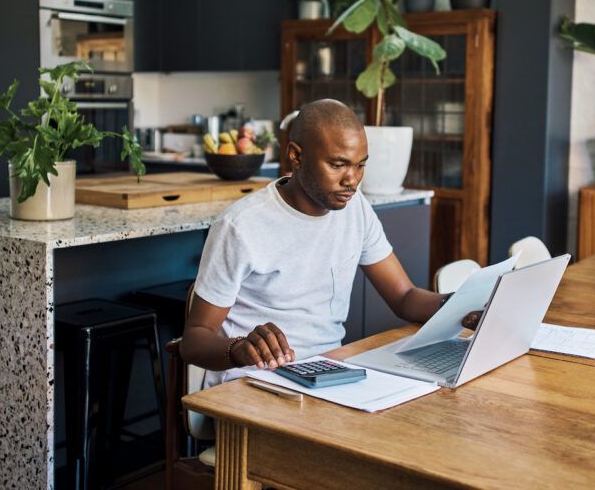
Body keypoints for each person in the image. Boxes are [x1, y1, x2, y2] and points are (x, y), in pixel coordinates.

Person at [180, 99, 479, 387]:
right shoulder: (240, 226)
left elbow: (404, 297)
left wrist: (460, 306)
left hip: (329, 375)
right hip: (254, 382)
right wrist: (238, 347)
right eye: (338, 165)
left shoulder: (356, 208)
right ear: (296, 156)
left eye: (360, 165)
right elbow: (194, 339)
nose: (352, 180)